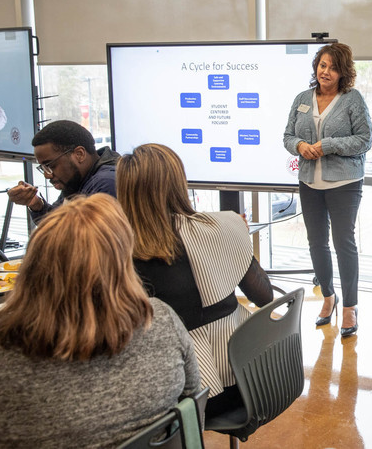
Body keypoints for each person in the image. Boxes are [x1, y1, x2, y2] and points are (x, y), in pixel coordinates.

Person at [0, 194, 201, 448]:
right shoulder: (159, 320)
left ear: (33, 266)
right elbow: (193, 406)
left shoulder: (5, 353)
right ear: (122, 264)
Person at [116, 143, 274, 418]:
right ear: (178, 182)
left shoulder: (120, 253)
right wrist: (237, 239)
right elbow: (264, 297)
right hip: (254, 374)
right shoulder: (224, 225)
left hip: (188, 396)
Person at [283, 42, 372, 338]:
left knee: (343, 242)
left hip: (344, 183)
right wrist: (299, 146)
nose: (326, 71)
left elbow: (364, 140)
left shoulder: (352, 99)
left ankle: (350, 306)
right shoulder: (301, 98)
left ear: (343, 72)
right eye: (322, 65)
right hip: (309, 182)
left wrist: (329, 145)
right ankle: (328, 297)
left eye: (333, 67)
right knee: (316, 243)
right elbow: (288, 135)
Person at [7, 119, 120, 223]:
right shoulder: (78, 180)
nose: (47, 175)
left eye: (51, 165)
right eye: (44, 168)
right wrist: (36, 203)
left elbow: (78, 238)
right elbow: (57, 221)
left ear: (79, 154)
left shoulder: (106, 183)